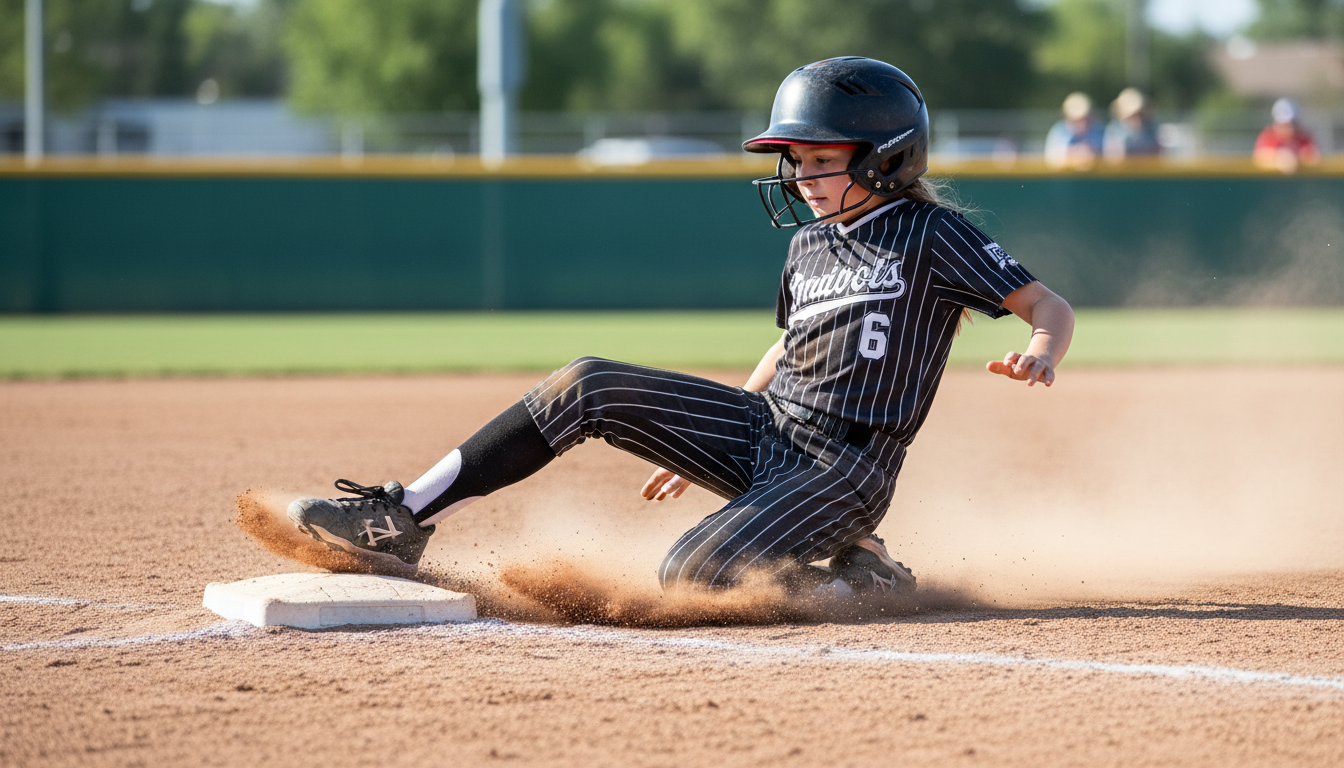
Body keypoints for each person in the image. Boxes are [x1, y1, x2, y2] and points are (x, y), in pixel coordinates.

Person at [285, 57, 1075, 601]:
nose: (798, 177)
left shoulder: (931, 233)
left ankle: (859, 575)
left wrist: (1041, 351)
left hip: (845, 468)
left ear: (885, 156)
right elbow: (790, 346)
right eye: (792, 161)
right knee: (587, 382)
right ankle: (400, 519)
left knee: (689, 574)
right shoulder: (808, 244)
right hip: (769, 431)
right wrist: (708, 432)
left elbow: (1049, 306)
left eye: (816, 158)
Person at [1254, 98, 1321, 174]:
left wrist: (1297, 159)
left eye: (1293, 124)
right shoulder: (1268, 136)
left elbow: (1314, 158)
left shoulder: (1304, 137)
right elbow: (1259, 157)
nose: (1290, 129)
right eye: (1285, 125)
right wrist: (1279, 157)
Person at [1044, 92, 1104, 170]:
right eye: (1075, 120)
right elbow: (1051, 159)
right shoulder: (1059, 131)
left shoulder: (1099, 131)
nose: (1080, 123)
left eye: (1084, 118)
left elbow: (1112, 156)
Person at [1104, 87, 1161, 162]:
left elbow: (1157, 154)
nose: (1138, 118)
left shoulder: (1151, 128)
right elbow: (1116, 159)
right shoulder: (1114, 129)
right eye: (1134, 115)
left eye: (1140, 114)